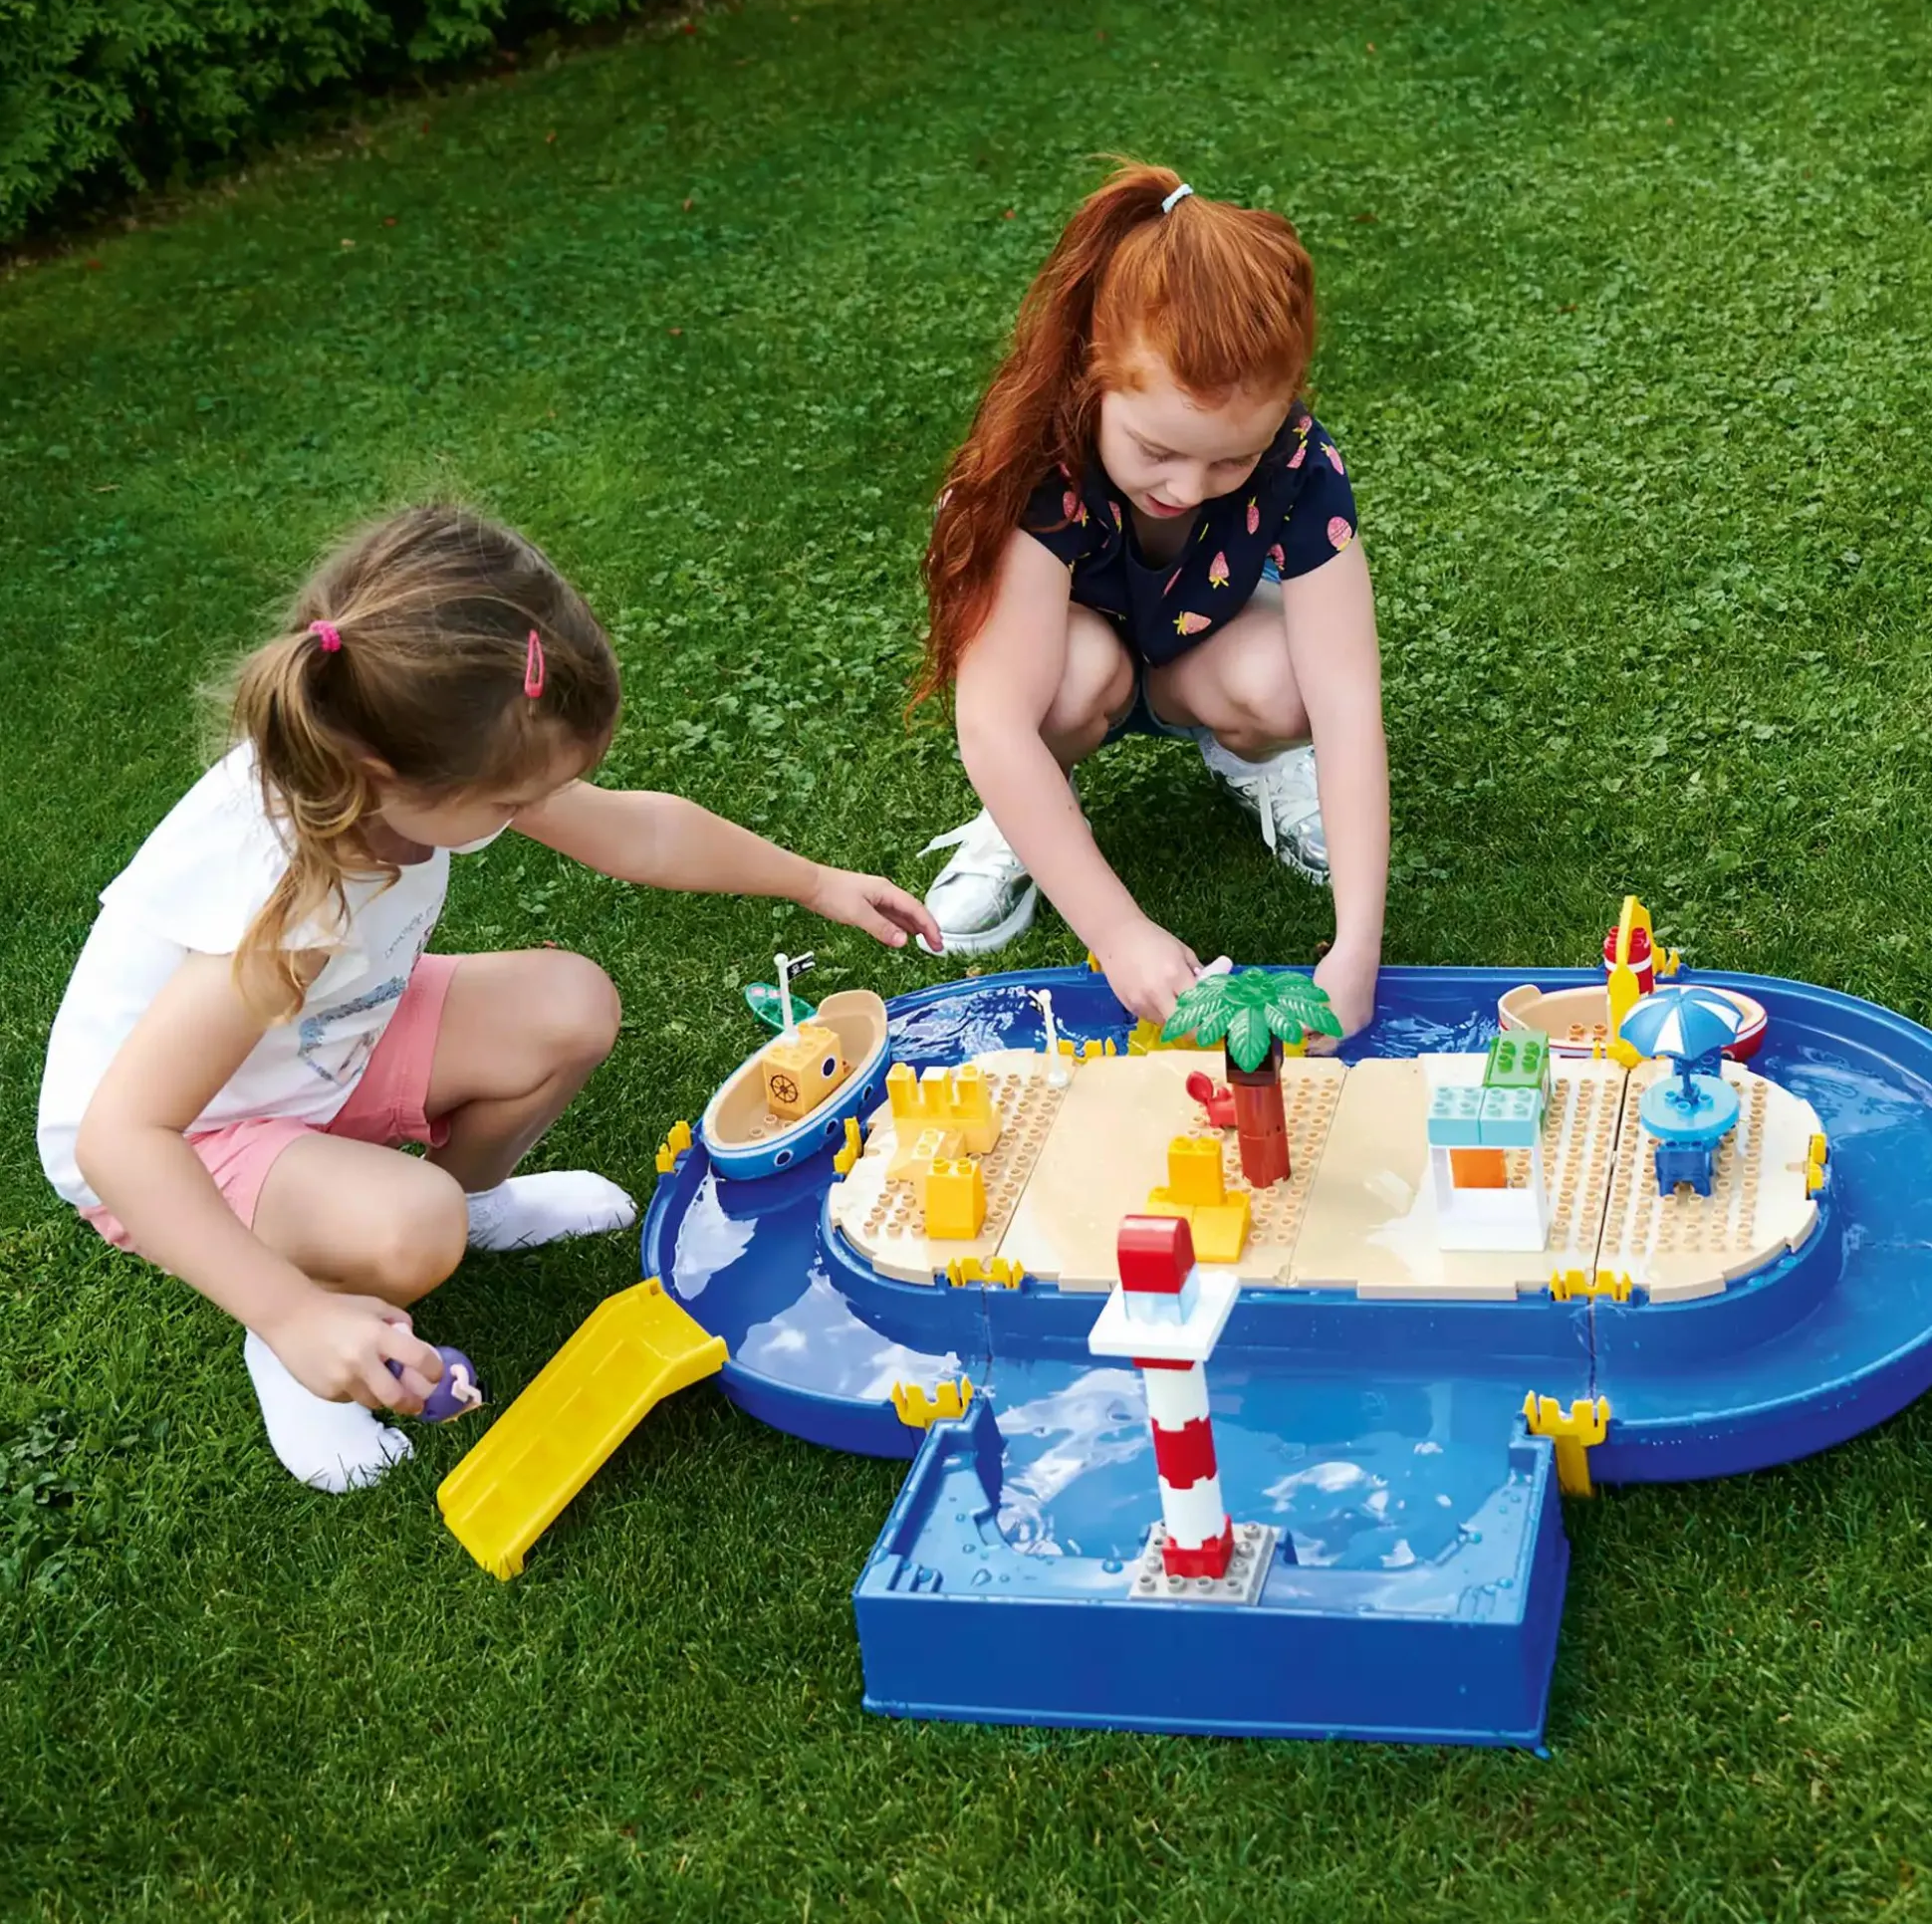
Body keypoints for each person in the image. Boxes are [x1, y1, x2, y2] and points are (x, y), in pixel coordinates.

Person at [38, 504, 939, 1493]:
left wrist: (813, 882)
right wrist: (289, 1313)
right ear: (386, 773)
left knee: (567, 1006)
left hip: (321, 1043)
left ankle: (468, 1201)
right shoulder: (285, 898)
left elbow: (636, 832)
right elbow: (122, 1139)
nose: (528, 813)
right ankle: (310, 1318)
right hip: (185, 1136)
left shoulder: (413, 757)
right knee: (412, 1226)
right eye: (511, 803)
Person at [914, 161, 1387, 1032]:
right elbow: (993, 720)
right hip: (1076, 661)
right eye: (1157, 450)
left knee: (1291, 682)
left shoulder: (1299, 462)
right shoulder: (1038, 464)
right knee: (1063, 687)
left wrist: (1357, 947)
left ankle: (1256, 758)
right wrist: (1120, 932)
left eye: (1231, 459)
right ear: (1096, 375)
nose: (1188, 487)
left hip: (1198, 647)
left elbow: (1348, 701)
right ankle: (1028, 811)